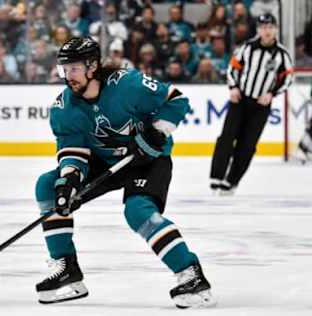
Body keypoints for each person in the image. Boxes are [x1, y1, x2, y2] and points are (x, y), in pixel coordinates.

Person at [34, 37, 216, 308]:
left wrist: (157, 132)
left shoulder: (127, 85)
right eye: (64, 69)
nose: (68, 76)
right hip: (105, 162)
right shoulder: (64, 107)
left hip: (148, 160)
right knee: (49, 186)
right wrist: (69, 180)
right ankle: (68, 270)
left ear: (92, 66)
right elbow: (73, 151)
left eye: (74, 68)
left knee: (137, 211)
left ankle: (191, 274)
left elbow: (176, 100)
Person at [210, 13, 293, 195]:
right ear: (258, 30)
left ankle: (231, 181)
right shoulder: (247, 48)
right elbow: (232, 68)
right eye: (263, 27)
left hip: (261, 106)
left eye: (270, 27)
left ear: (276, 29)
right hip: (240, 100)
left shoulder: (282, 54)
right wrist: (233, 87)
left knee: (248, 145)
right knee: (227, 137)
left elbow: (287, 79)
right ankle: (216, 176)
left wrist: (272, 93)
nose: (267, 31)